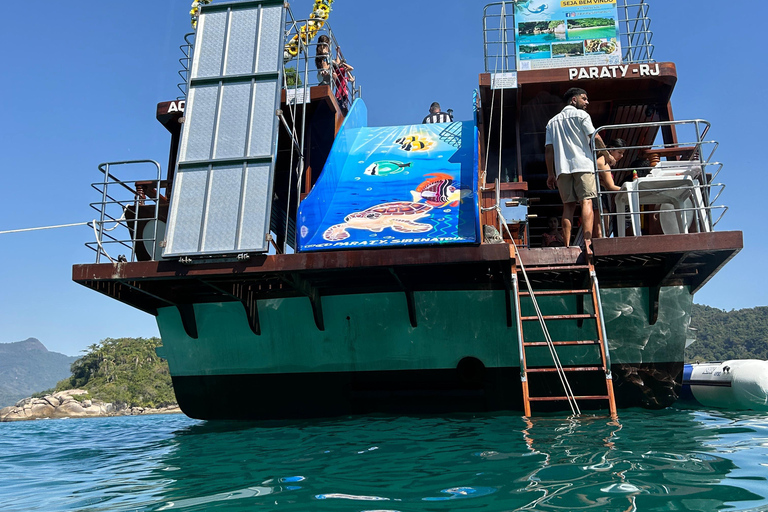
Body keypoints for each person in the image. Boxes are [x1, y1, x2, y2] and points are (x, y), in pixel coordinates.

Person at [545, 87, 614, 249]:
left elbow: (549, 150)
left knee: (568, 206)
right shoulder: (582, 115)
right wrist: (608, 155)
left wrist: (550, 174)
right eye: (584, 98)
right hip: (583, 165)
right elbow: (595, 136)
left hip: (562, 169)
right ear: (573, 100)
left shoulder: (551, 122)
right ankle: (588, 241)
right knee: (586, 201)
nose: (587, 102)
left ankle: (568, 245)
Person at [593, 138, 626, 238]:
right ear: (611, 149)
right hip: (600, 194)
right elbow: (610, 186)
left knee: (603, 228)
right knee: (602, 228)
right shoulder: (603, 163)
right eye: (619, 152)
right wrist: (628, 190)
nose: (621, 156)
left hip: (602, 193)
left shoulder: (602, 162)